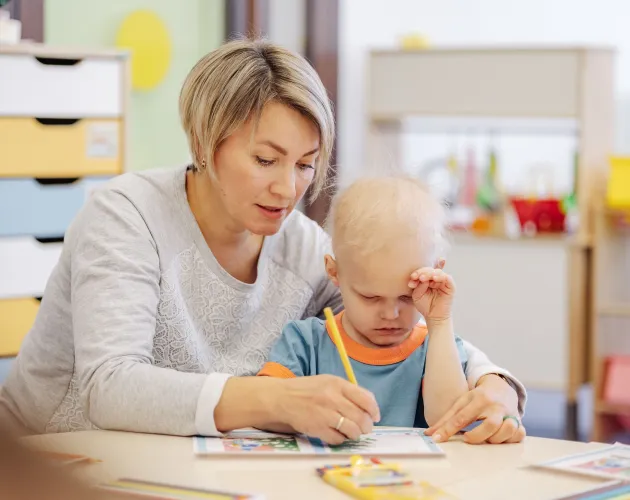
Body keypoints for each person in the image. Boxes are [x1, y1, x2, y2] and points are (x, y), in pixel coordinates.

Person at [0, 38, 525, 444]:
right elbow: (109, 387)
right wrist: (277, 400)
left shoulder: (300, 245)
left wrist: (493, 383)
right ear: (206, 141)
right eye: (265, 160)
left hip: (181, 468)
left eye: (305, 164)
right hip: (48, 465)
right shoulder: (126, 216)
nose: (288, 188)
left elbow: (389, 314)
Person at [258, 176, 524, 444]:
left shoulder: (437, 347)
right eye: (370, 297)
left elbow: (447, 420)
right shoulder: (304, 342)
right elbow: (266, 410)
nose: (390, 314)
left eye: (406, 298)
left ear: (435, 275)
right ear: (333, 272)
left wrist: (440, 322)